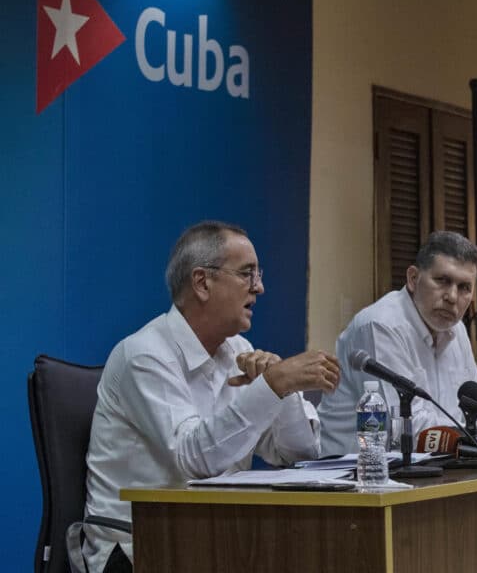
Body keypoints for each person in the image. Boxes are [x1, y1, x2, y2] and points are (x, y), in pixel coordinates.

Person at [83, 221, 341, 573]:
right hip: (138, 548)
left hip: (214, 538)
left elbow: (297, 453)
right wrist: (273, 384)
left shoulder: (237, 350)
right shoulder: (145, 355)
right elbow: (194, 459)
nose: (260, 287)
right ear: (202, 282)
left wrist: (283, 388)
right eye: (247, 274)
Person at [319, 231, 477, 456]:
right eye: (442, 281)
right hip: (355, 475)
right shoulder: (380, 325)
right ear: (413, 278)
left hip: (430, 469)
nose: (452, 297)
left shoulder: (455, 329)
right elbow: (405, 431)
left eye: (464, 287)